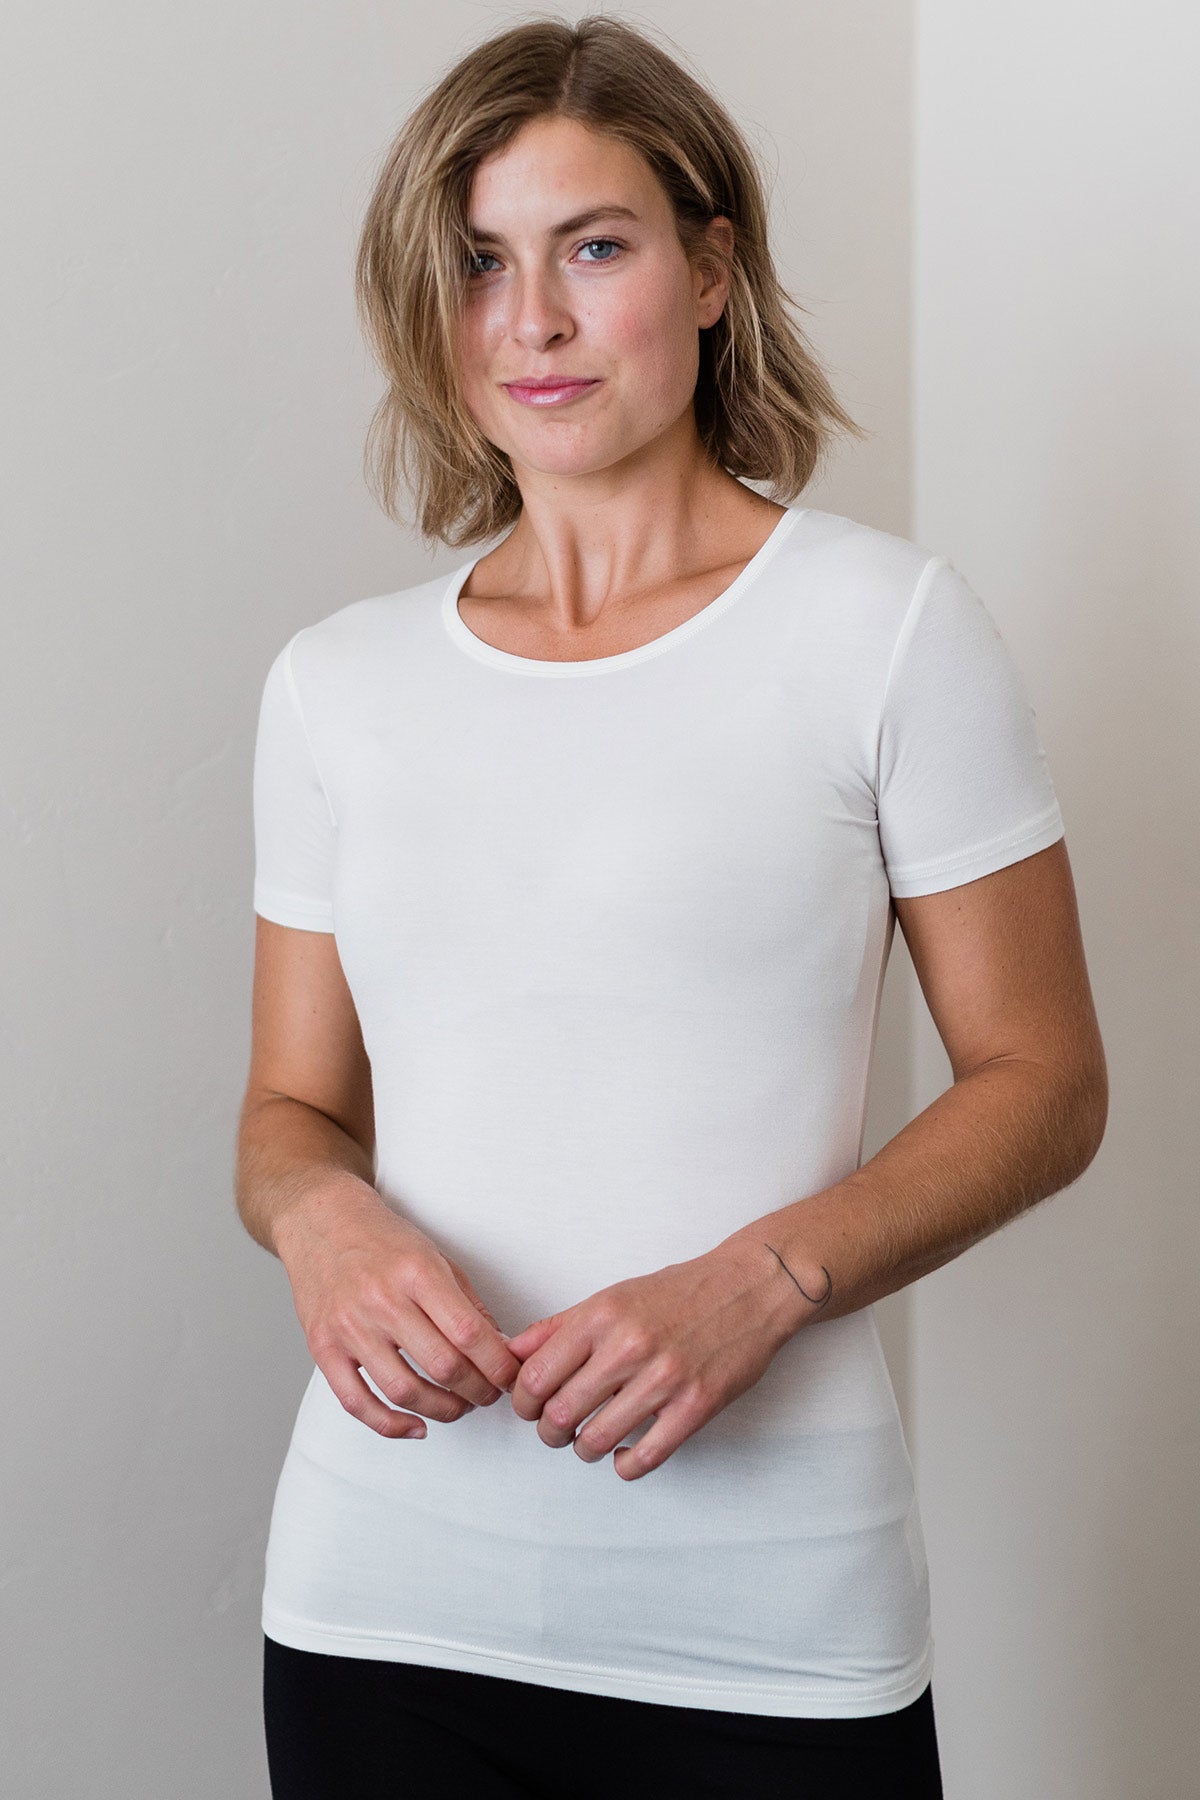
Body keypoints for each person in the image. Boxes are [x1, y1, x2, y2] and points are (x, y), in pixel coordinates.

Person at [236, 16, 1107, 1798]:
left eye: (596, 247)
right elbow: (290, 1112)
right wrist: (321, 1222)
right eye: (480, 263)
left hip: (772, 1628)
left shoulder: (886, 630)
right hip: (379, 1608)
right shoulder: (337, 686)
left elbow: (1046, 1080)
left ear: (714, 272)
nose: (532, 321)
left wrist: (761, 1280)